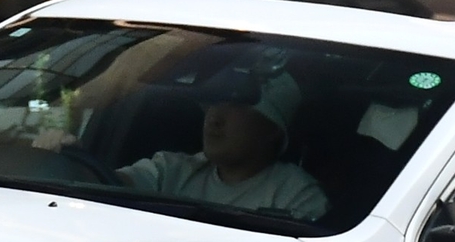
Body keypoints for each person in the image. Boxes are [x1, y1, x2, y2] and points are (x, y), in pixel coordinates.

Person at [118, 71, 327, 221]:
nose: (214, 119)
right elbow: (106, 184)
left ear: (272, 130)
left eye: (235, 106)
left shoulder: (297, 197)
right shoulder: (168, 170)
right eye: (212, 104)